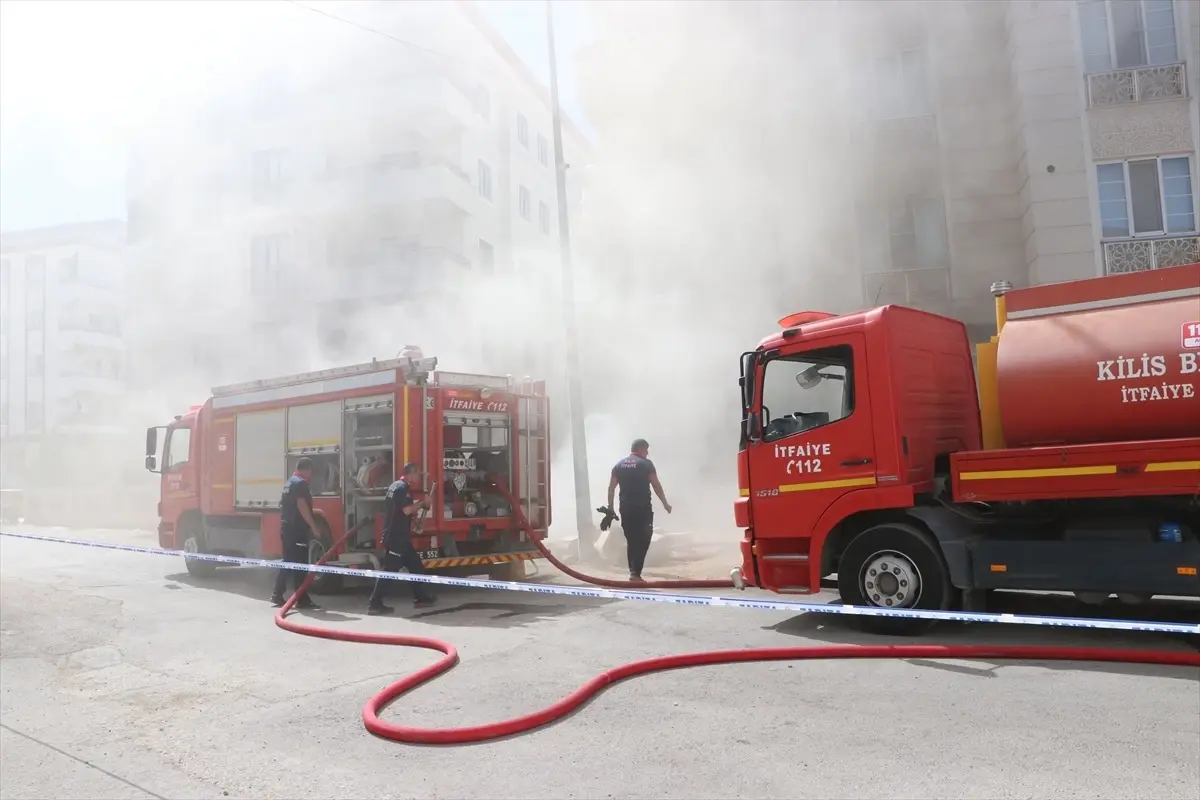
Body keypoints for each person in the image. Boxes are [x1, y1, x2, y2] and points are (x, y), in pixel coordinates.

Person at [367, 461, 438, 615]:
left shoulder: (395, 486)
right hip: (395, 537)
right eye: (417, 474)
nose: (419, 477)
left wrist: (416, 520)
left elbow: (400, 511)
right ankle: (375, 604)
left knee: (415, 565)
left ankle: (422, 598)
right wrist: (422, 503)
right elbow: (406, 510)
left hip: (401, 537)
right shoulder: (402, 488)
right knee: (389, 571)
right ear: (410, 474)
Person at [607, 438, 672, 582]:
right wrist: (665, 504)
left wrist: (610, 508)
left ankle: (633, 573)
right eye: (646, 449)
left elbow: (611, 488)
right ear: (641, 448)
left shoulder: (618, 465)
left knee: (631, 540)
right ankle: (635, 573)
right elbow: (656, 485)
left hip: (626, 508)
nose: (647, 453)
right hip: (642, 508)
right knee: (644, 538)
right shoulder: (646, 464)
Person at [271, 457, 321, 610]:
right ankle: (301, 599)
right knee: (300, 565)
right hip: (296, 530)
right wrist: (314, 527)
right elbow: (301, 506)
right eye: (311, 472)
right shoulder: (300, 484)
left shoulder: (289, 483)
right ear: (307, 470)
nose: (311, 475)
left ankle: (277, 594)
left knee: (288, 561)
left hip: (286, 528)